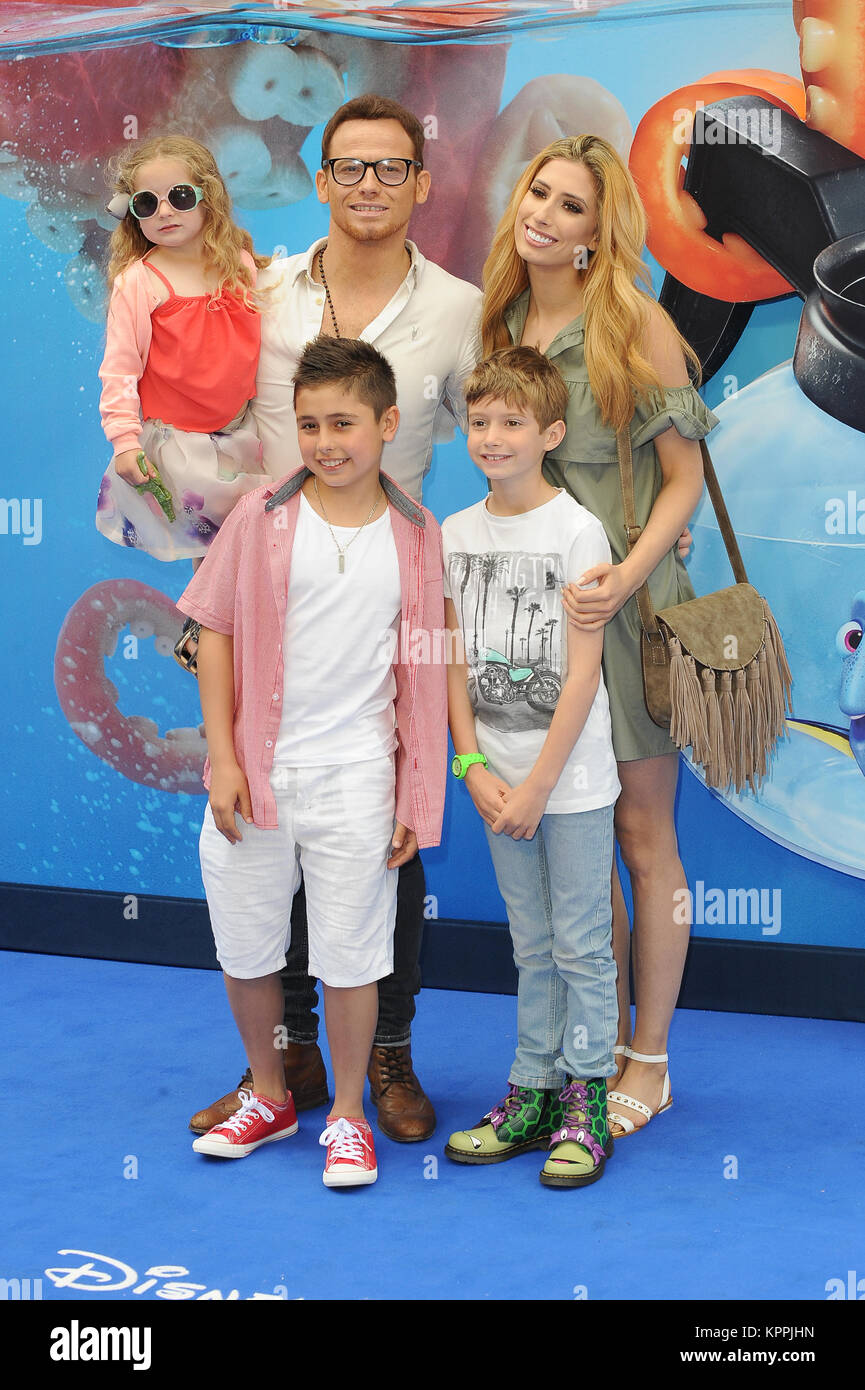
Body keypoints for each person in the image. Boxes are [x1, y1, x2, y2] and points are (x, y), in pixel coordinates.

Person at [189, 94, 481, 1143]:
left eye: (390, 168)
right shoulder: (259, 290)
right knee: (264, 825)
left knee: (384, 833)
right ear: (320, 181)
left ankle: (387, 1058)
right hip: (262, 589)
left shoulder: (458, 308)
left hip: (386, 594)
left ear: (420, 181)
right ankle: (287, 1065)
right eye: (348, 167)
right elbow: (189, 390)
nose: (368, 185)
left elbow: (507, 430)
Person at [481, 135, 719, 1139]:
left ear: (597, 229)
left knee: (636, 834)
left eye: (571, 206)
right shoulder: (501, 315)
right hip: (527, 619)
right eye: (538, 192)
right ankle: (590, 1050)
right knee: (572, 843)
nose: (545, 214)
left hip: (619, 613)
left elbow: (684, 476)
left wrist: (624, 575)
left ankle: (648, 1060)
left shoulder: (633, 320)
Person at [176, 337, 446, 1186]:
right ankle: (268, 1093)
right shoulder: (258, 515)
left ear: (387, 423)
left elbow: (426, 665)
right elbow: (213, 631)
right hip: (257, 776)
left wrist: (418, 788)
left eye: (343, 423)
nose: (325, 442)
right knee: (249, 946)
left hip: (359, 778)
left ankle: (347, 1116)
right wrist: (223, 758)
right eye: (308, 425)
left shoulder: (416, 531)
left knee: (353, 956)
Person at [442, 346, 620, 1187]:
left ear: (549, 432)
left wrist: (542, 785)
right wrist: (472, 766)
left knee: (582, 943)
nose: (492, 436)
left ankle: (587, 1095)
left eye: (511, 422)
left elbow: (583, 673)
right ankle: (532, 1088)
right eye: (479, 421)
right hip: (496, 781)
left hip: (569, 782)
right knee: (531, 942)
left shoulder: (577, 529)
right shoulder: (453, 533)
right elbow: (445, 662)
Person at [96, 134, 269, 566]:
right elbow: (120, 369)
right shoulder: (140, 282)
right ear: (132, 214)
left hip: (243, 438)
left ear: (207, 197)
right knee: (208, 564)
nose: (165, 211)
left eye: (179, 196)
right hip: (181, 451)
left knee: (248, 559)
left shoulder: (239, 265)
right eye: (147, 204)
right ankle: (202, 633)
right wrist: (123, 442)